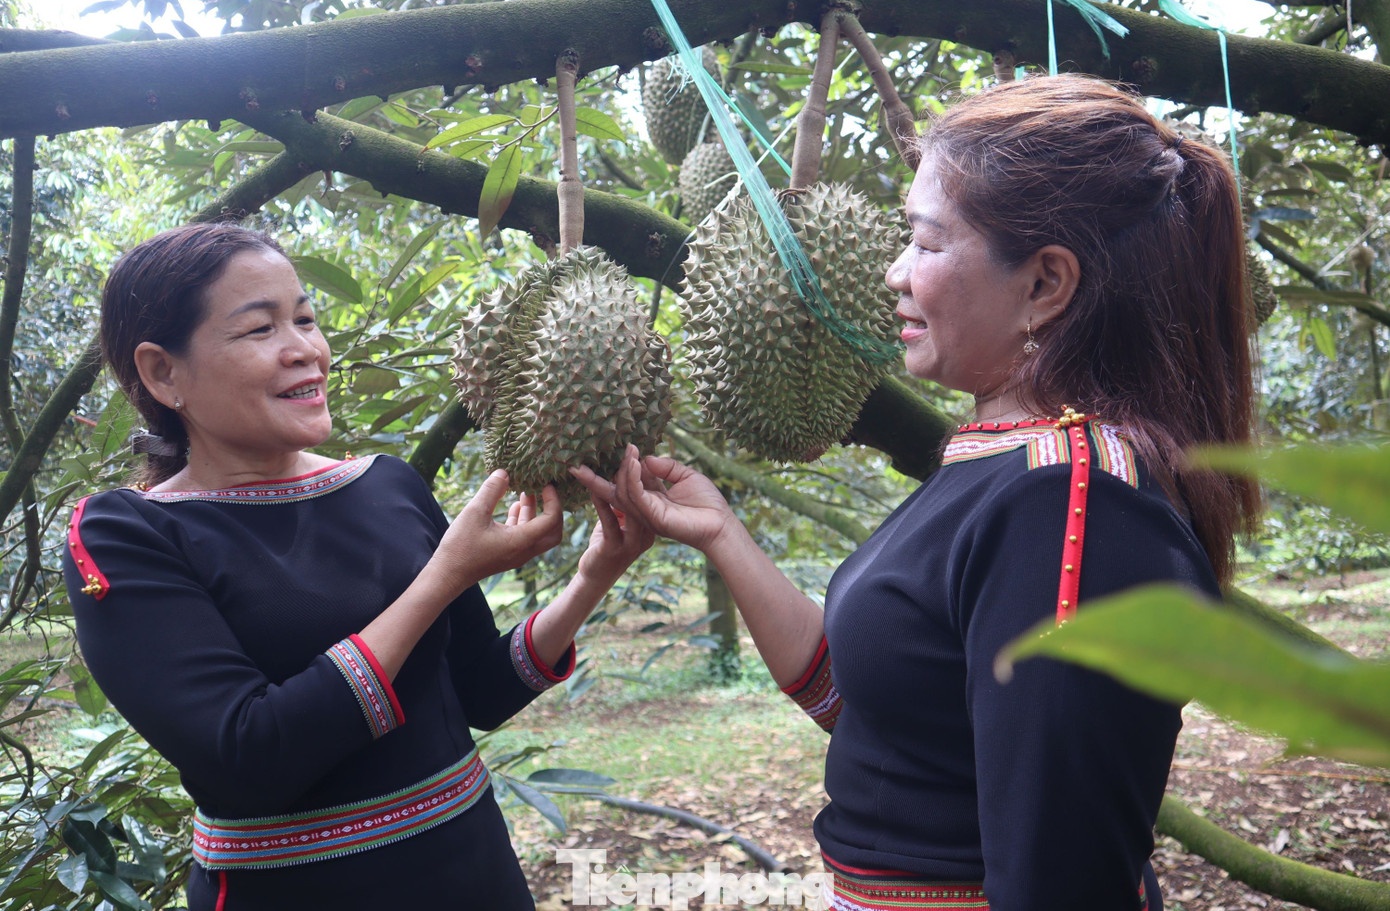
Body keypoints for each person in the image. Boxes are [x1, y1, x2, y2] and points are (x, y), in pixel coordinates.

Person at [575, 74, 1259, 910]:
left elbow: (1061, 876)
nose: (894, 273)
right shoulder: (998, 464)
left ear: (1045, 284)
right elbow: (891, 714)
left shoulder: (1070, 500)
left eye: (926, 244)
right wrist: (723, 533)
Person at [63, 223, 651, 910]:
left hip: (473, 872)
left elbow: (480, 691)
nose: (305, 350)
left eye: (306, 320)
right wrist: (443, 577)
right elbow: (250, 756)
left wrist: (594, 574)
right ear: (164, 371)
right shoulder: (126, 532)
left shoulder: (388, 482)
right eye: (261, 329)